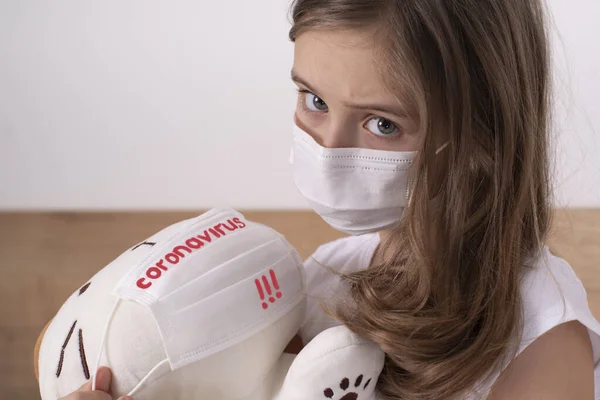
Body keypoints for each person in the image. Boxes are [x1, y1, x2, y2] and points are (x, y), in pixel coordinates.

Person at [60, 0, 600, 399]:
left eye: (383, 123)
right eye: (314, 100)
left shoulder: (538, 336)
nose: (328, 148)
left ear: (483, 134)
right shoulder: (323, 280)